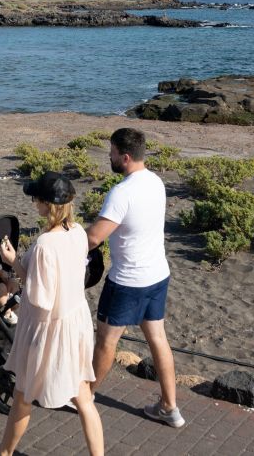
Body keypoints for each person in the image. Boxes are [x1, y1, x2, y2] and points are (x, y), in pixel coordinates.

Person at [0, 171, 103, 456]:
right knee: (83, 396)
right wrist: (15, 262)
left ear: (47, 203)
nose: (34, 203)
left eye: (36, 198)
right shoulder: (79, 232)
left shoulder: (46, 243)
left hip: (48, 328)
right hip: (75, 321)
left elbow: (40, 297)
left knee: (23, 394)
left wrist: (14, 268)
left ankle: (3, 452)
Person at [87, 127, 183, 428]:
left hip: (128, 281)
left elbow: (94, 238)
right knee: (157, 338)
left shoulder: (121, 192)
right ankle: (170, 407)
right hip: (157, 275)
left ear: (125, 157)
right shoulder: (156, 182)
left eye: (112, 152)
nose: (109, 156)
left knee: (105, 341)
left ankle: (84, 397)